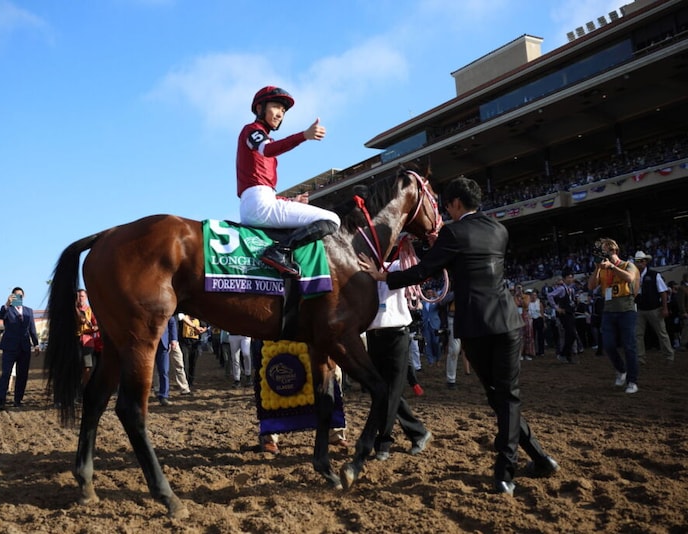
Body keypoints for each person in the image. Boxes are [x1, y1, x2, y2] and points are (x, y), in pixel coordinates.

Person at [358, 176, 559, 496]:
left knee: (502, 397)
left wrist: (384, 275)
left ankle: (505, 472)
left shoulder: (453, 232)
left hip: (476, 327)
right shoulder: (499, 229)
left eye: (447, 207)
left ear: (454, 204)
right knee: (505, 397)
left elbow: (423, 271)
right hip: (508, 322)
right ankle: (539, 457)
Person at [237, 86, 340, 278]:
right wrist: (304, 136)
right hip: (257, 205)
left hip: (257, 203)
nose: (280, 114)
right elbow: (267, 150)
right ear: (260, 108)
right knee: (332, 219)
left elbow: (262, 188)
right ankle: (279, 252)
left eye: (283, 111)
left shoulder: (262, 135)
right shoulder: (251, 130)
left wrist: (290, 201)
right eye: (276, 107)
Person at [366, 260, 433, 461]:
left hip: (396, 333)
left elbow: (416, 271)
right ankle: (418, 432)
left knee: (391, 392)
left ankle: (383, 443)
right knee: (385, 392)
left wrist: (381, 276)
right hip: (373, 335)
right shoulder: (364, 264)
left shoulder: (397, 265)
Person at [586, 238, 640, 394]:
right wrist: (597, 268)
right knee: (608, 345)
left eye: (605, 251)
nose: (603, 255)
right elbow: (591, 286)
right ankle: (621, 370)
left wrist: (612, 267)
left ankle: (632, 381)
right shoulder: (602, 269)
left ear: (614, 251)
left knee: (629, 346)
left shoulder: (627, 265)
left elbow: (630, 277)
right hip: (609, 310)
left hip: (626, 310)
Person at [0, 287, 40, 410]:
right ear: (12, 296)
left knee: (22, 374)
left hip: (24, 347)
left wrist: (36, 344)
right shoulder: (7, 310)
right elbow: (1, 316)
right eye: (15, 295)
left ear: (23, 297)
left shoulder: (28, 311)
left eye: (20, 295)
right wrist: (7, 303)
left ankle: (18, 399)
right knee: (6, 374)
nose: (18, 298)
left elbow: (32, 329)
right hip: (9, 347)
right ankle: (1, 400)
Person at [633, 251, 675, 363]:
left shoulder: (654, 275)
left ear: (645, 262)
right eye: (637, 261)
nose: (639, 263)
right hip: (640, 309)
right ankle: (640, 357)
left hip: (654, 308)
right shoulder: (634, 277)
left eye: (641, 261)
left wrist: (664, 308)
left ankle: (669, 355)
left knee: (662, 333)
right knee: (638, 334)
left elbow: (663, 292)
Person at [547, 269, 579, 363]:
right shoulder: (562, 289)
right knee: (571, 334)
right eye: (569, 277)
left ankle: (564, 354)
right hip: (565, 314)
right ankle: (564, 354)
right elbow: (550, 295)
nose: (571, 279)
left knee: (571, 335)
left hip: (570, 313)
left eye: (572, 277)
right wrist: (556, 308)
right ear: (564, 278)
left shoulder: (571, 289)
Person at [75, 289, 99, 388]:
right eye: (78, 296)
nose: (80, 298)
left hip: (87, 342)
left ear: (86, 297)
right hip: (75, 341)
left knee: (87, 367)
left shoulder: (90, 310)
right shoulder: (73, 310)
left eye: (82, 296)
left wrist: (94, 328)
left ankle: (84, 389)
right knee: (75, 367)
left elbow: (97, 325)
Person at [155, 316, 178, 406]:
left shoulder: (164, 305)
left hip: (162, 343)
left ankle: (163, 396)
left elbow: (171, 321)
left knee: (164, 371)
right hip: (146, 343)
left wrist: (173, 339)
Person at [177, 314, 206, 388]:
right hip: (184, 343)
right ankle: (185, 381)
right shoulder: (183, 317)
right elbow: (182, 318)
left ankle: (191, 381)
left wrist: (202, 330)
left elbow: (204, 327)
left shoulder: (199, 319)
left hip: (195, 343)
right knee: (184, 363)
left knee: (192, 363)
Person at [420, 289, 442, 366]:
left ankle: (438, 358)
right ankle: (430, 360)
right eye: (428, 292)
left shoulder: (436, 301)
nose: (429, 294)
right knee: (427, 343)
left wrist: (438, 297)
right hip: (426, 325)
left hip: (435, 324)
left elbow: (441, 305)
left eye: (430, 292)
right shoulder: (423, 302)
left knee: (436, 342)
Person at [528, 289, 546, 357]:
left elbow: (542, 313)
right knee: (533, 336)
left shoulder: (539, 303)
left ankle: (541, 351)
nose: (534, 296)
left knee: (540, 336)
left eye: (535, 295)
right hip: (532, 320)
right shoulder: (529, 303)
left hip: (539, 319)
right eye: (532, 295)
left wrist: (544, 322)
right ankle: (533, 351)